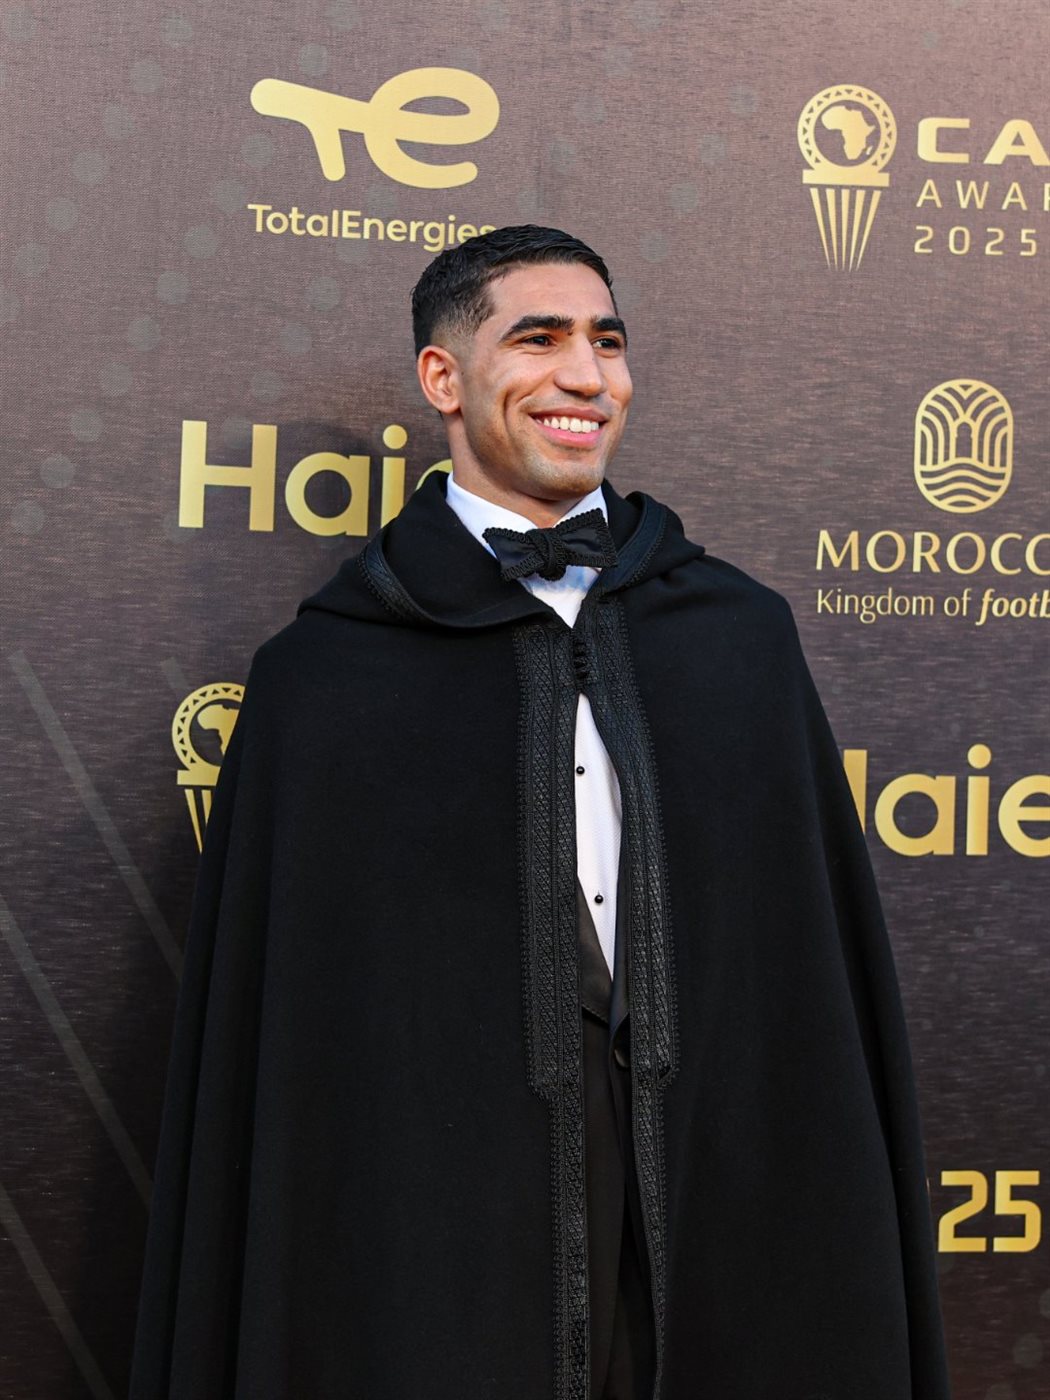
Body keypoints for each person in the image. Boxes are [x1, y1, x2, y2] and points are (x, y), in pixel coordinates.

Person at [130, 226, 951, 1400]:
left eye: (607, 342)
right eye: (540, 338)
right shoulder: (324, 679)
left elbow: (807, 990)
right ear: (444, 377)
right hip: (440, 1225)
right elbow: (297, 1052)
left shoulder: (738, 637)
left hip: (717, 1184)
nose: (586, 375)